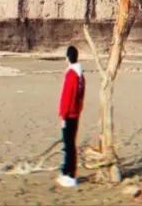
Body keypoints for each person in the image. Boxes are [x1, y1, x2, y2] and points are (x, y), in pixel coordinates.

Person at [57, 45, 85, 188]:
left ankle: (69, 175)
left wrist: (63, 114)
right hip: (75, 113)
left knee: (68, 145)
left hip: (69, 114)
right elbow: (80, 96)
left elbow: (67, 96)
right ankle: (67, 171)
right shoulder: (80, 75)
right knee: (70, 144)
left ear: (68, 57)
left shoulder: (71, 74)